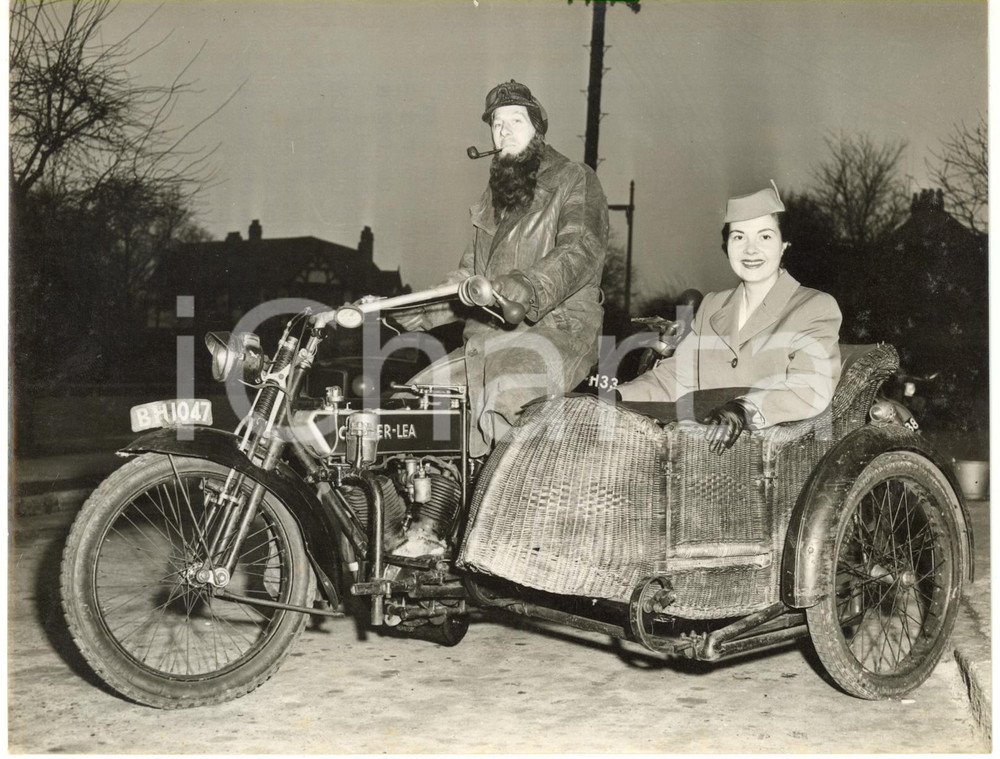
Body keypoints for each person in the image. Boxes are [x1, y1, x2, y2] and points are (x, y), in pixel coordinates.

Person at [396, 80, 609, 457]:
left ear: (538, 131)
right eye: (497, 123)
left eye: (517, 120)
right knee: (410, 408)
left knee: (506, 396)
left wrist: (529, 283)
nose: (505, 129)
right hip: (486, 340)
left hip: (555, 332)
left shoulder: (575, 178)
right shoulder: (493, 202)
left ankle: (516, 513)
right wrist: (418, 310)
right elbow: (468, 279)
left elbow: (581, 248)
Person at [616, 182, 842, 453]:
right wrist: (618, 397)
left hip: (772, 460)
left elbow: (809, 387)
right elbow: (678, 378)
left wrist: (744, 409)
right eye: (739, 237)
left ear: (784, 245)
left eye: (765, 237)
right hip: (701, 453)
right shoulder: (712, 306)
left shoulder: (814, 307)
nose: (750, 250)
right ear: (726, 247)